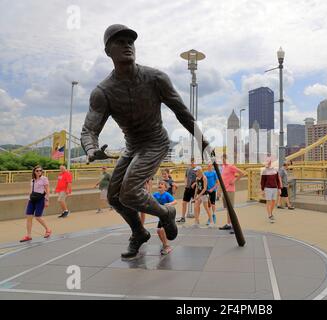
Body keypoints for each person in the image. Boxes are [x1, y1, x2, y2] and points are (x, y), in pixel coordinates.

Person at [80, 24, 209, 260]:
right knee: (114, 196)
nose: (127, 45)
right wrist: (91, 149)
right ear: (108, 51)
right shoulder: (103, 92)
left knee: (129, 193)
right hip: (132, 146)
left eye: (131, 41)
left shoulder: (156, 78)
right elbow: (89, 129)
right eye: (120, 42)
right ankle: (139, 232)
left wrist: (202, 140)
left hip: (155, 142)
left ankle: (166, 214)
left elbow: (181, 111)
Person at [20, 166, 52, 242]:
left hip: (40, 199)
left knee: (38, 217)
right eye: (37, 171)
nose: (39, 172)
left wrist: (47, 200)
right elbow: (31, 191)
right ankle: (28, 235)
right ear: (34, 171)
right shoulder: (32, 180)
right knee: (29, 217)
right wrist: (29, 199)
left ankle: (48, 229)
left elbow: (47, 190)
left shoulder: (44, 179)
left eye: (40, 171)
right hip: (32, 200)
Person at [218, 154, 245, 232]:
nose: (222, 161)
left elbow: (242, 173)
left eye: (223, 159)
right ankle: (229, 224)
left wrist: (234, 180)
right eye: (221, 159)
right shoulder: (223, 167)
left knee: (231, 209)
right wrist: (219, 191)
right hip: (224, 191)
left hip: (230, 190)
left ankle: (235, 227)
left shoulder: (231, 166)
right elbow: (222, 180)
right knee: (228, 209)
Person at [177, 158, 197, 223]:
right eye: (191, 162)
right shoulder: (188, 169)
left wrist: (194, 183)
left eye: (193, 162)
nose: (192, 163)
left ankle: (196, 219)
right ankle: (183, 217)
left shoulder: (198, 169)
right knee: (184, 203)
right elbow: (185, 177)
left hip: (195, 188)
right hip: (188, 188)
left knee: (196, 203)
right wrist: (185, 183)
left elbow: (200, 178)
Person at [261, 159, 281, 223]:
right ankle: (270, 215)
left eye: (270, 162)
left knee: (274, 202)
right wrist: (262, 190)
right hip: (268, 188)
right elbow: (262, 181)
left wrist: (279, 188)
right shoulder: (264, 171)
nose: (269, 164)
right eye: (268, 162)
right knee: (268, 202)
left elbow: (278, 180)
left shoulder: (275, 170)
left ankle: (271, 213)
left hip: (275, 188)